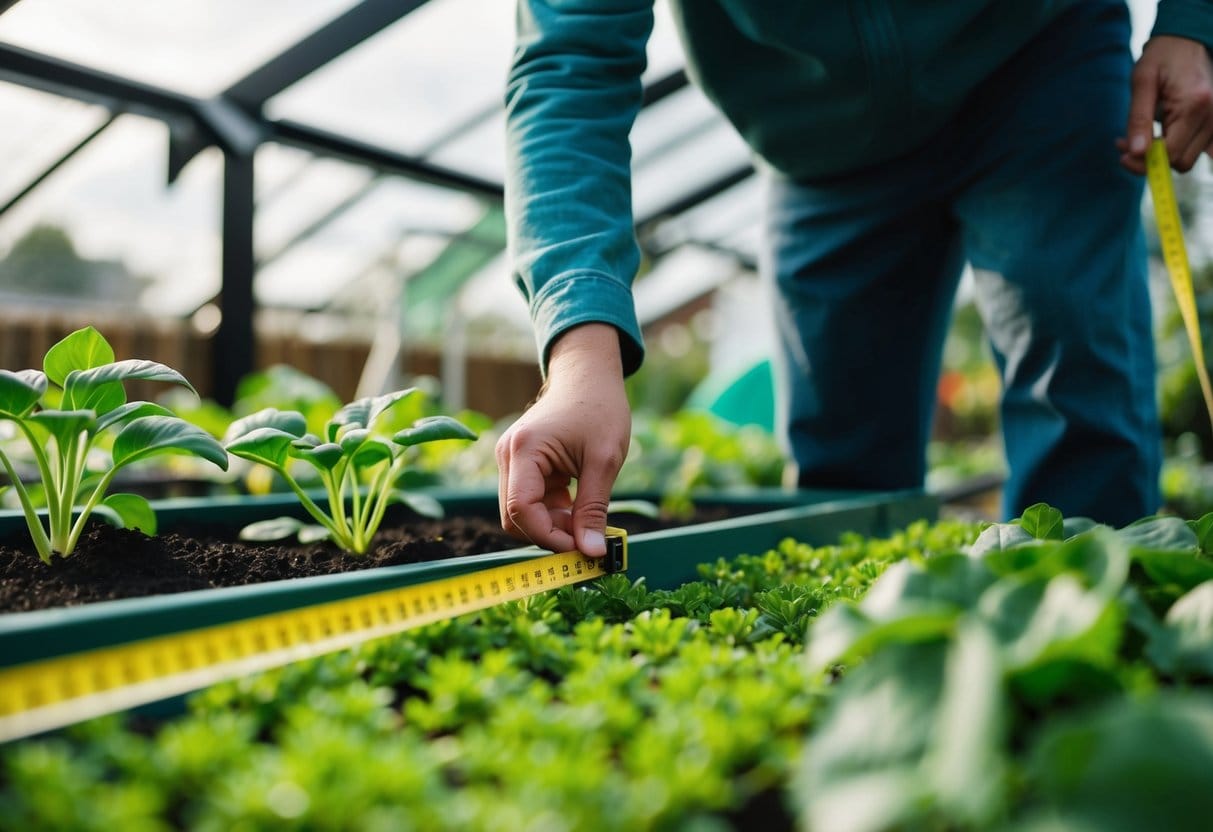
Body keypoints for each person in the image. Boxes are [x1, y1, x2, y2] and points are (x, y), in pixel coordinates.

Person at [495, 0, 1213, 556]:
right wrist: (580, 354)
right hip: (819, 142)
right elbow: (567, 60)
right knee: (841, 468)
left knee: (1075, 375)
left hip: (1038, 56)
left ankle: (1083, 664)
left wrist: (1190, 20)